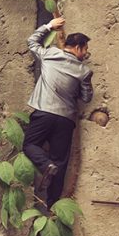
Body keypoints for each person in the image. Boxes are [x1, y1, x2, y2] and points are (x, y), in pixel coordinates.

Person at [24, 17, 93, 207]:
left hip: (44, 112)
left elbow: (31, 41)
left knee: (30, 145)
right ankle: (52, 204)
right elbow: (86, 98)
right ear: (78, 47)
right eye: (85, 48)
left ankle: (46, 165)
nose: (86, 53)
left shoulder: (50, 54)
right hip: (65, 120)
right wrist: (79, 85)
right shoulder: (84, 71)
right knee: (61, 162)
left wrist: (49, 26)